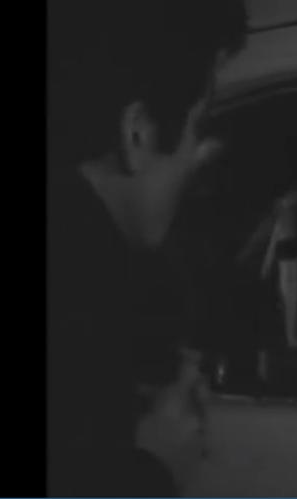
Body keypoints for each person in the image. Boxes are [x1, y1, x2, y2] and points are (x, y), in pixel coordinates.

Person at [47, 0, 247, 494]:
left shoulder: (86, 262)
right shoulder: (81, 295)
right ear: (136, 132)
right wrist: (155, 463)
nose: (199, 157)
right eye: (198, 126)